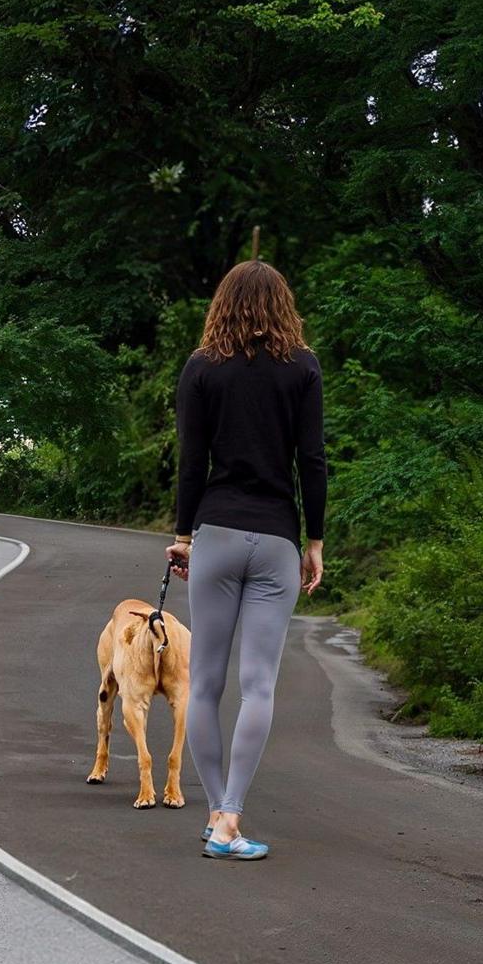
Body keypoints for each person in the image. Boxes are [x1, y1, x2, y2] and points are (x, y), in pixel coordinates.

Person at [166, 256, 327, 861]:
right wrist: (315, 541)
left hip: (217, 532)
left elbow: (191, 460)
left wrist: (183, 537)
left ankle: (215, 817)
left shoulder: (202, 368)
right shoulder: (303, 368)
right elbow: (312, 459)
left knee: (203, 683)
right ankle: (232, 812)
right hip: (278, 538)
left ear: (223, 305)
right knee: (258, 684)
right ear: (282, 306)